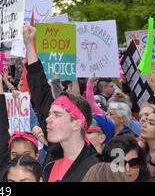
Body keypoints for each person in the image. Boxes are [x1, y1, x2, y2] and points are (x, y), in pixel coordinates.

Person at [22, 24, 100, 182]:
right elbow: (40, 92)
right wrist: (30, 44)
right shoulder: (55, 150)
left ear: (77, 124)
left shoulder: (94, 171)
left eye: (57, 115)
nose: (47, 119)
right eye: (50, 114)